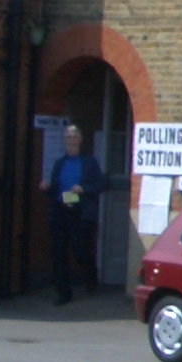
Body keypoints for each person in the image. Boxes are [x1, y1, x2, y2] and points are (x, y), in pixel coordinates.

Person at [40, 123, 107, 304]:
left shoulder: (89, 162)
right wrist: (47, 188)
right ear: (64, 141)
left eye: (74, 137)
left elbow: (101, 185)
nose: (71, 140)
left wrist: (83, 189)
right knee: (58, 252)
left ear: (80, 140)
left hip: (80, 210)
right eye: (68, 137)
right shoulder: (59, 163)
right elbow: (55, 189)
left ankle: (90, 277)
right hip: (61, 209)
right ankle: (63, 293)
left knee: (81, 251)